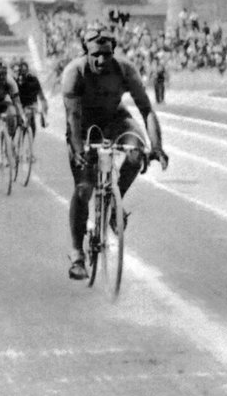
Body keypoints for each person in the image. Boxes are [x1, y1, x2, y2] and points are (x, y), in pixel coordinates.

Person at [62, 26, 169, 281]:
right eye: (95, 54)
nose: (101, 60)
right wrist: (79, 150)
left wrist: (156, 146)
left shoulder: (124, 69)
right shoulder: (74, 73)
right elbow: (73, 118)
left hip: (115, 118)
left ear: (114, 52)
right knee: (84, 188)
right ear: (86, 51)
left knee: (136, 154)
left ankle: (113, 203)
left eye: (107, 54)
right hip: (83, 125)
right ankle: (77, 254)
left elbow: (146, 110)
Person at [14, 61, 48, 136]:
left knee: (29, 122)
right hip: (25, 104)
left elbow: (41, 95)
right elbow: (41, 95)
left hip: (28, 104)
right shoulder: (18, 80)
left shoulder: (32, 80)